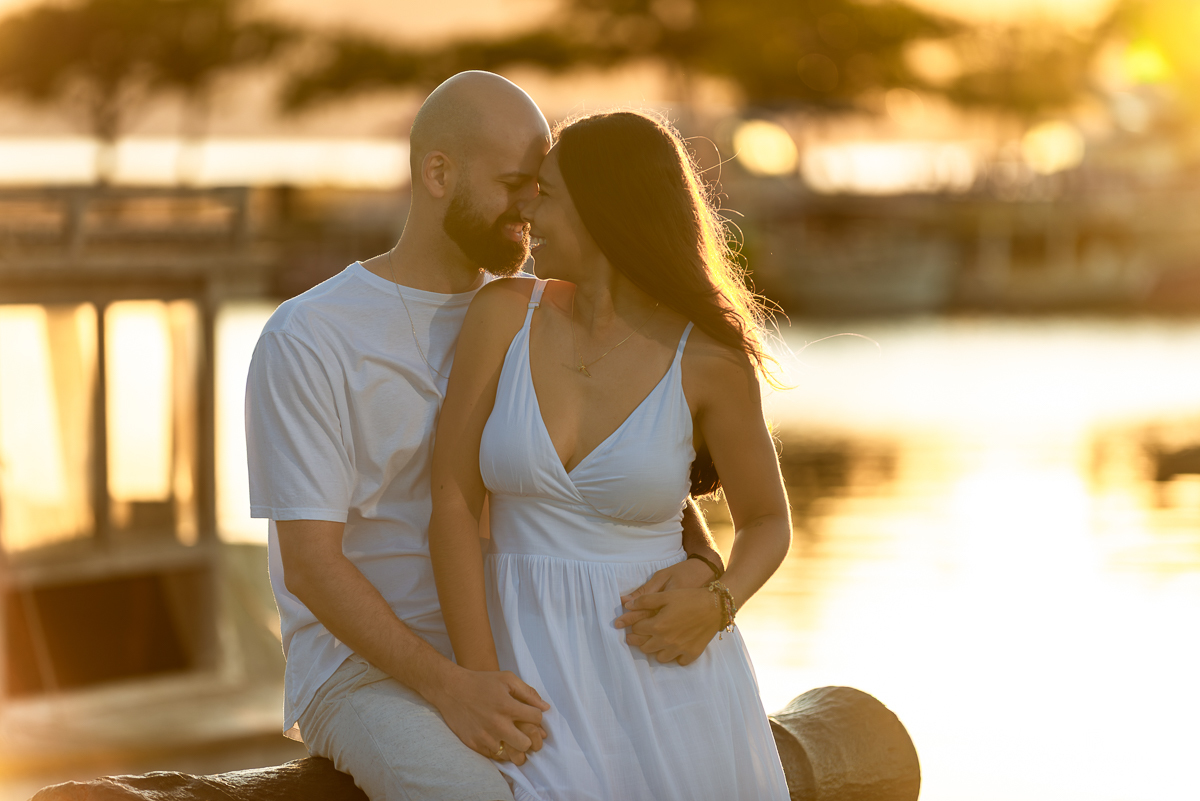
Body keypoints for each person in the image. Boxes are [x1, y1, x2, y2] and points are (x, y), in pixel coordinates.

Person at [245, 73, 725, 801]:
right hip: (366, 672)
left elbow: (624, 480)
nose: (532, 208)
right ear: (438, 173)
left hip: (537, 646)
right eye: (512, 184)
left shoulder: (544, 312)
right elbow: (311, 564)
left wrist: (702, 563)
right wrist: (452, 685)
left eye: (542, 186)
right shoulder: (312, 336)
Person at [428, 110, 792, 800]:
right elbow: (451, 498)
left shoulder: (709, 360)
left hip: (665, 669)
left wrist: (718, 601)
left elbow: (769, 521)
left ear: (607, 208)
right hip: (522, 665)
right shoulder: (503, 314)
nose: (527, 207)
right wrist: (478, 676)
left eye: (548, 192)